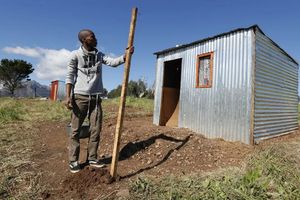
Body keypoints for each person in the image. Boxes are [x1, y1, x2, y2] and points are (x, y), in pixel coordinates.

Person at [64, 29, 134, 173]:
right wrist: (67, 96)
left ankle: (92, 158)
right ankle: (73, 161)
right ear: (84, 40)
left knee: (95, 130)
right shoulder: (75, 55)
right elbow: (69, 76)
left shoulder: (99, 55)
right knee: (75, 131)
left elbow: (114, 62)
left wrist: (126, 55)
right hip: (80, 97)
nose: (95, 39)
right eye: (92, 37)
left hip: (96, 98)